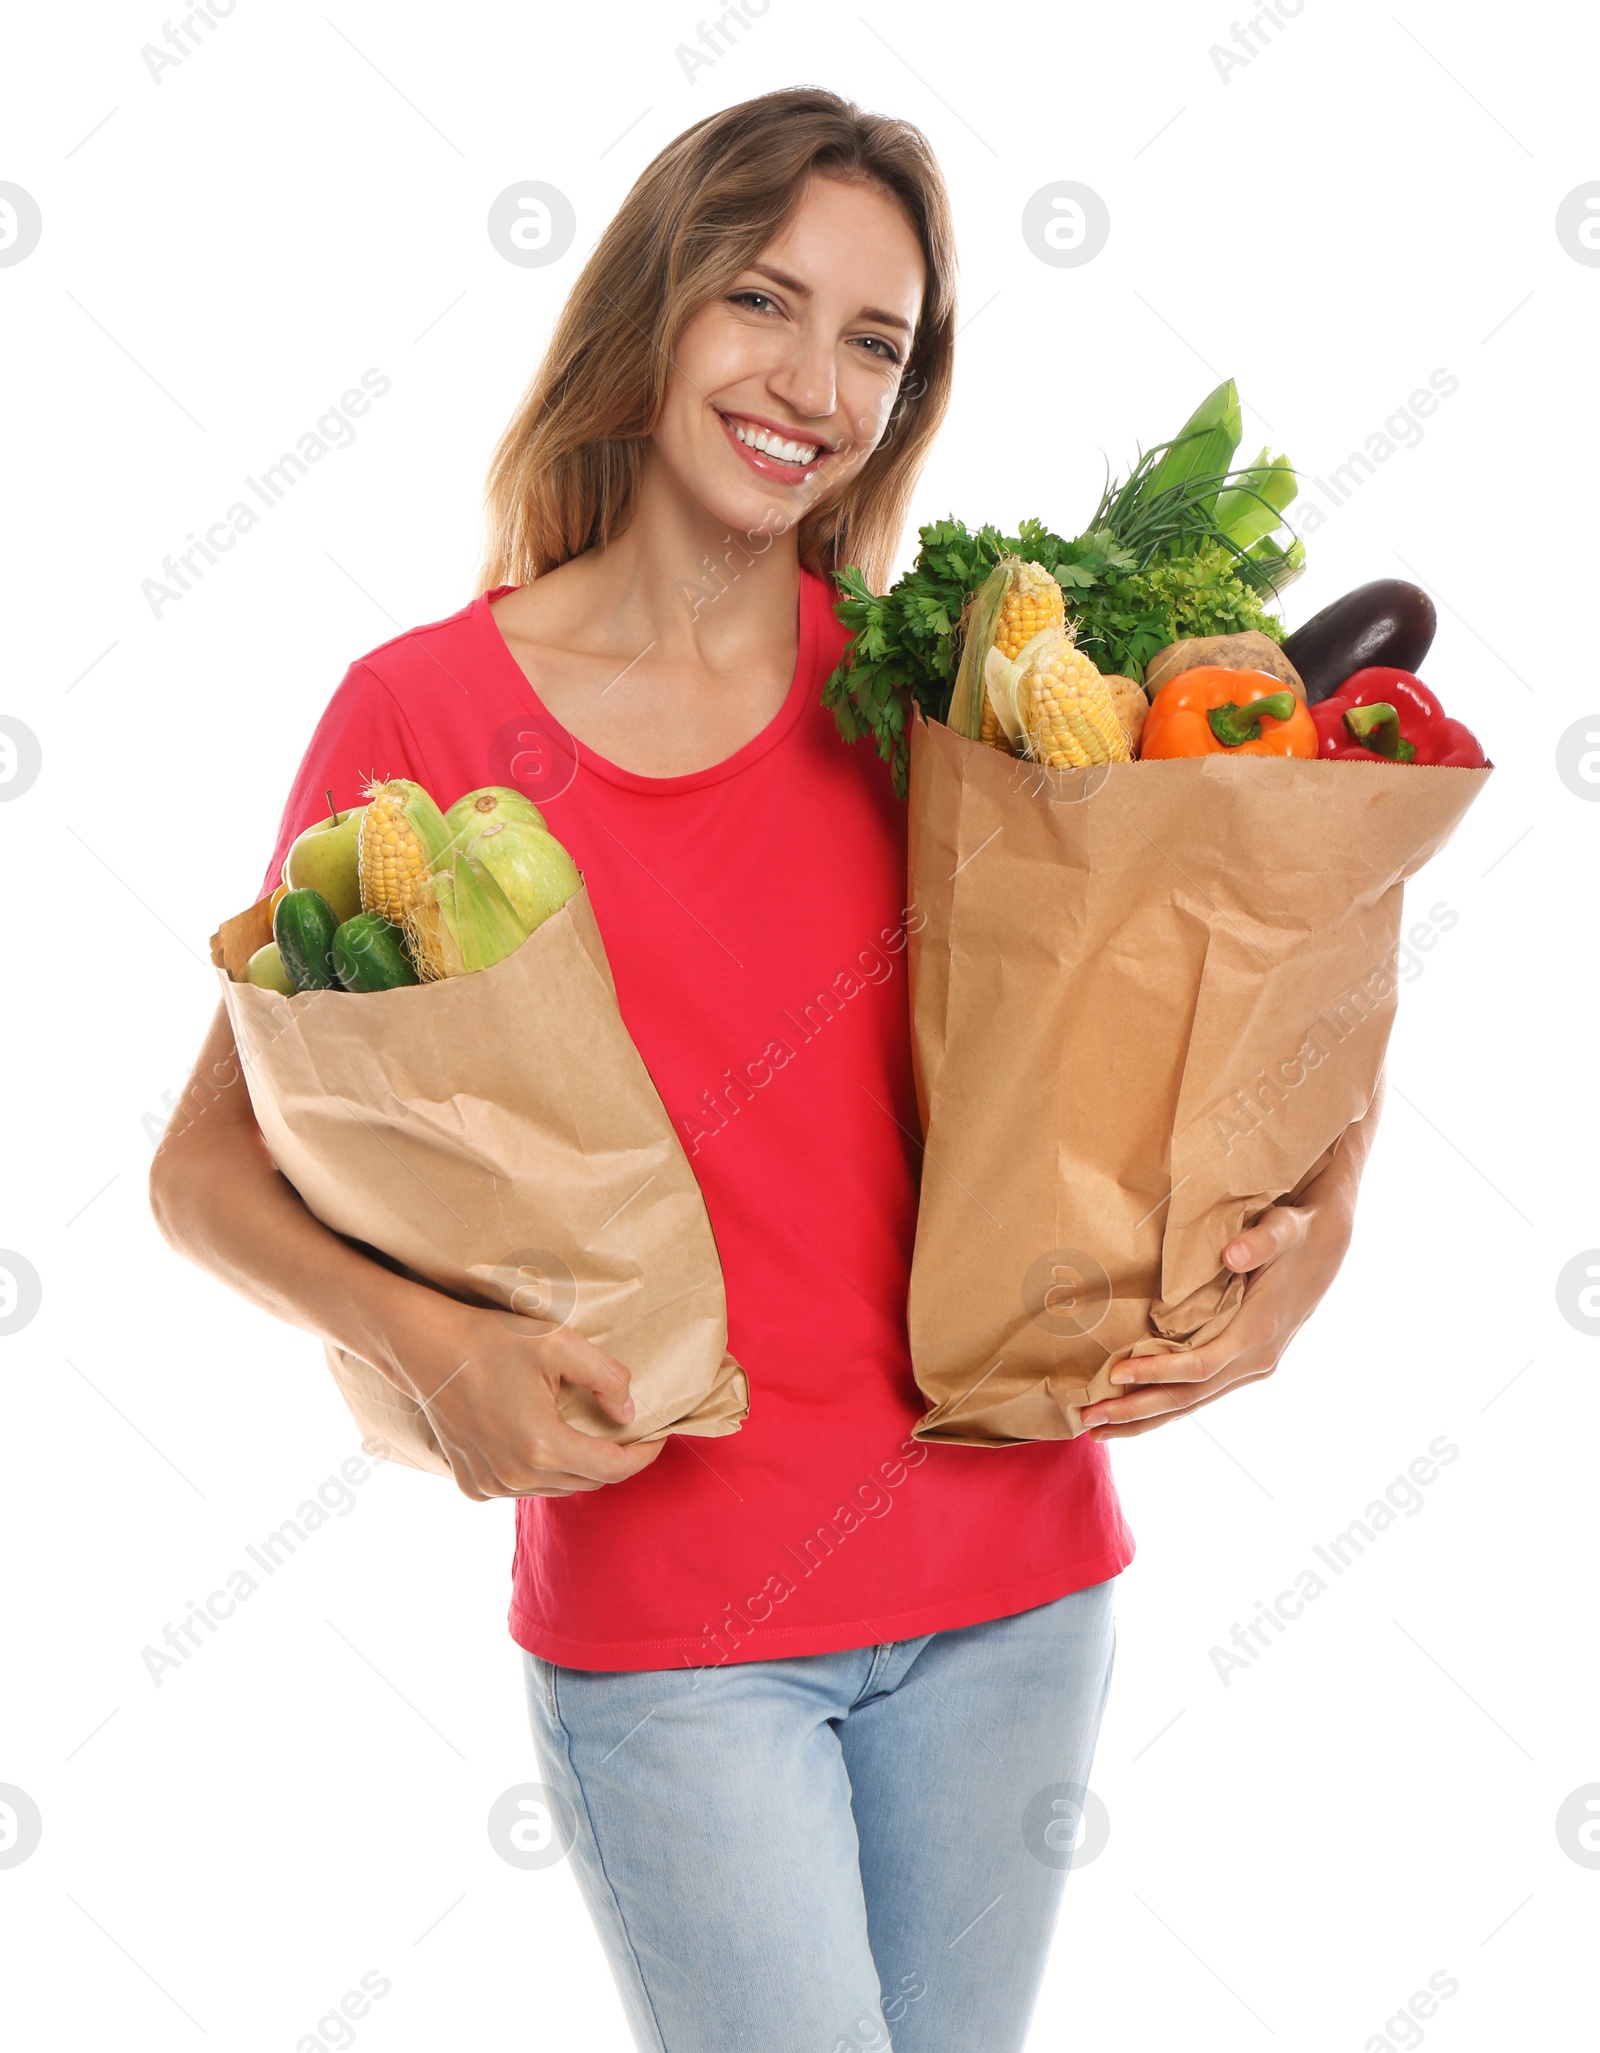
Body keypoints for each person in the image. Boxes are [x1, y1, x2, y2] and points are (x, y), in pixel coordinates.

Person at [149, 88, 1379, 2053]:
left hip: (1013, 1578)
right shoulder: (424, 714)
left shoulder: (931, 693)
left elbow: (1233, 961)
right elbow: (203, 1172)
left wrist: (1312, 1239)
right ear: (654, 310)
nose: (809, 381)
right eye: (760, 301)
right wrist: (431, 1345)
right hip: (676, 1623)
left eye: (873, 343)